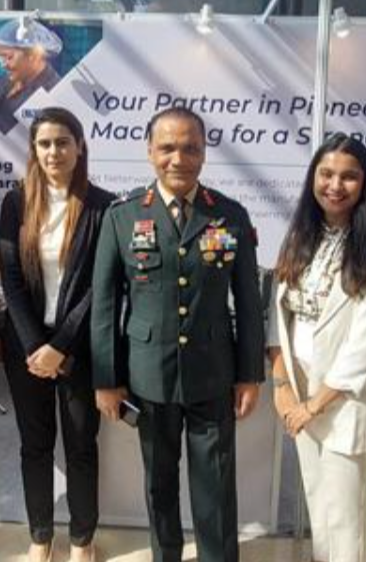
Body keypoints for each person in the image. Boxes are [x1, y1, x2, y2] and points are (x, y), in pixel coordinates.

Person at [90, 106, 265, 562]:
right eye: (167, 147)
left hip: (213, 373)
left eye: (190, 147)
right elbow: (106, 305)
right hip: (148, 377)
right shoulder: (122, 217)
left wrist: (250, 375)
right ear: (150, 151)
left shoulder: (229, 216)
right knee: (159, 483)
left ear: (204, 153)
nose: (178, 158)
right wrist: (106, 379)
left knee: (216, 483)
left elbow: (248, 303)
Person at [266, 133, 366, 562]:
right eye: (326, 173)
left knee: (345, 509)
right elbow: (278, 315)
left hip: (347, 399)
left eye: (349, 176)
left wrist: (315, 404)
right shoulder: (300, 236)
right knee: (317, 498)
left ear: (365, 183)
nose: (335, 184)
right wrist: (283, 387)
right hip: (301, 388)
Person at [0, 107, 114, 562]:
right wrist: (34, 346)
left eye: (62, 142)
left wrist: (60, 346)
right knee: (35, 445)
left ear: (79, 146)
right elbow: (9, 277)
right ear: (33, 149)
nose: (53, 152)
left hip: (80, 349)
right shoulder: (15, 201)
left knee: (82, 446)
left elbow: (100, 286)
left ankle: (82, 540)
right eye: (44, 143)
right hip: (26, 349)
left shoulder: (103, 206)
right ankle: (41, 536)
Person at [0, 17, 62, 135]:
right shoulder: (3, 81)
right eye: (0, 58)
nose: (3, 65)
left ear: (34, 55)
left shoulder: (53, 91)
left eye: (9, 57)